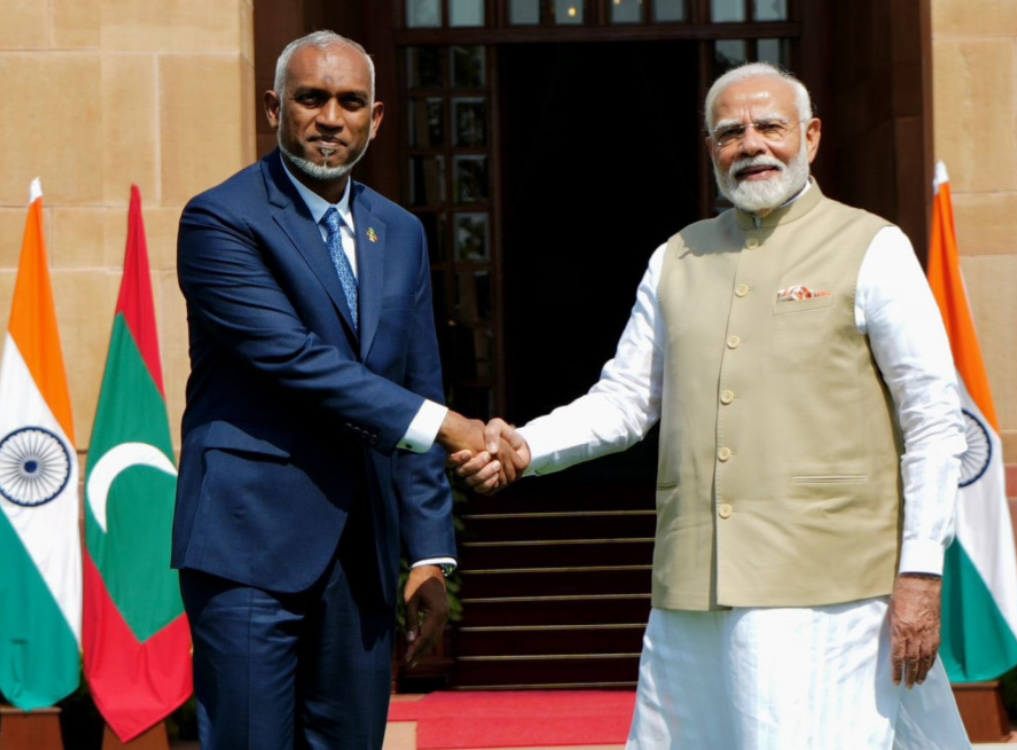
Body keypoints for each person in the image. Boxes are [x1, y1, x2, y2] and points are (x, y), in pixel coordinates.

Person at [454, 62, 972, 749]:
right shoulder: (677, 258)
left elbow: (933, 419)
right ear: (709, 149)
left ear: (810, 137)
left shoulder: (871, 247)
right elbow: (626, 400)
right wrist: (525, 446)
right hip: (690, 590)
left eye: (769, 127)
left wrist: (920, 571)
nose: (751, 144)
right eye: (730, 132)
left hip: (827, 589)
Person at [173, 31, 513, 750]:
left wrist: (428, 553)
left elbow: (416, 379)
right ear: (274, 107)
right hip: (247, 548)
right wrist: (454, 427)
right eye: (311, 98)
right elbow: (295, 361)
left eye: (350, 102)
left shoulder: (401, 232)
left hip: (361, 554)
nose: (331, 118)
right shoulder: (220, 219)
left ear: (377, 118)